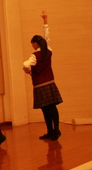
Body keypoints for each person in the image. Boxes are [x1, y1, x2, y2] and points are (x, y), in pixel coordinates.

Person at [23, 11, 63, 140]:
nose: (32, 46)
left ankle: (51, 131)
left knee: (45, 110)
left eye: (32, 43)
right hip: (50, 83)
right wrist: (45, 21)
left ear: (35, 43)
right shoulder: (48, 51)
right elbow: (47, 36)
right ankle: (55, 130)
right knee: (52, 108)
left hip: (40, 86)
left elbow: (25, 65)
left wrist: (28, 71)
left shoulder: (35, 55)